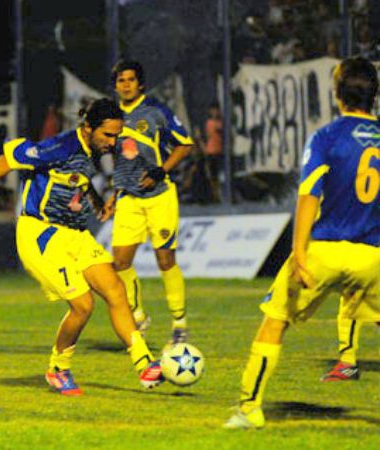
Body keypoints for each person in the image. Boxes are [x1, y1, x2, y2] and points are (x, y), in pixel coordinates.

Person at [0, 98, 164, 396]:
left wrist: (94, 200)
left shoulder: (90, 150)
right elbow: (5, 162)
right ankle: (58, 369)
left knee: (115, 289)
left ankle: (145, 364)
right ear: (88, 128)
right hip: (41, 234)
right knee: (83, 305)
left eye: (117, 135)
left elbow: (76, 179)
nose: (113, 142)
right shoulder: (58, 147)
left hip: (75, 234)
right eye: (108, 135)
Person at [224, 57, 380, 429]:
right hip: (373, 255)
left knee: (274, 321)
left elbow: (309, 195)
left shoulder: (326, 137)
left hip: (324, 249)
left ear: (336, 93)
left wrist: (298, 251)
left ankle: (249, 410)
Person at [109, 60, 194, 346]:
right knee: (120, 262)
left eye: (131, 80)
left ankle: (180, 325)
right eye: (121, 80)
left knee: (165, 260)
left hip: (159, 197)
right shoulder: (111, 116)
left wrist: (161, 170)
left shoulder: (157, 111)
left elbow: (185, 144)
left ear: (140, 84)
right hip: (129, 198)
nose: (126, 85)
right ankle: (138, 317)